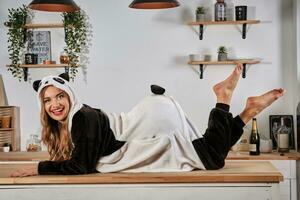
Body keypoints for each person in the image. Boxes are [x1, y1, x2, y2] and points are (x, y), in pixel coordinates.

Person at [11, 64, 285, 177]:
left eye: (59, 97)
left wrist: (39, 168)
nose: (54, 104)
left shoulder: (82, 117)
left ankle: (223, 98)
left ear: (70, 96)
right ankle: (248, 112)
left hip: (147, 126)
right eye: (47, 100)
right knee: (210, 152)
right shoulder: (79, 117)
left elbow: (81, 166)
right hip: (147, 118)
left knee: (211, 160)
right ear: (42, 105)